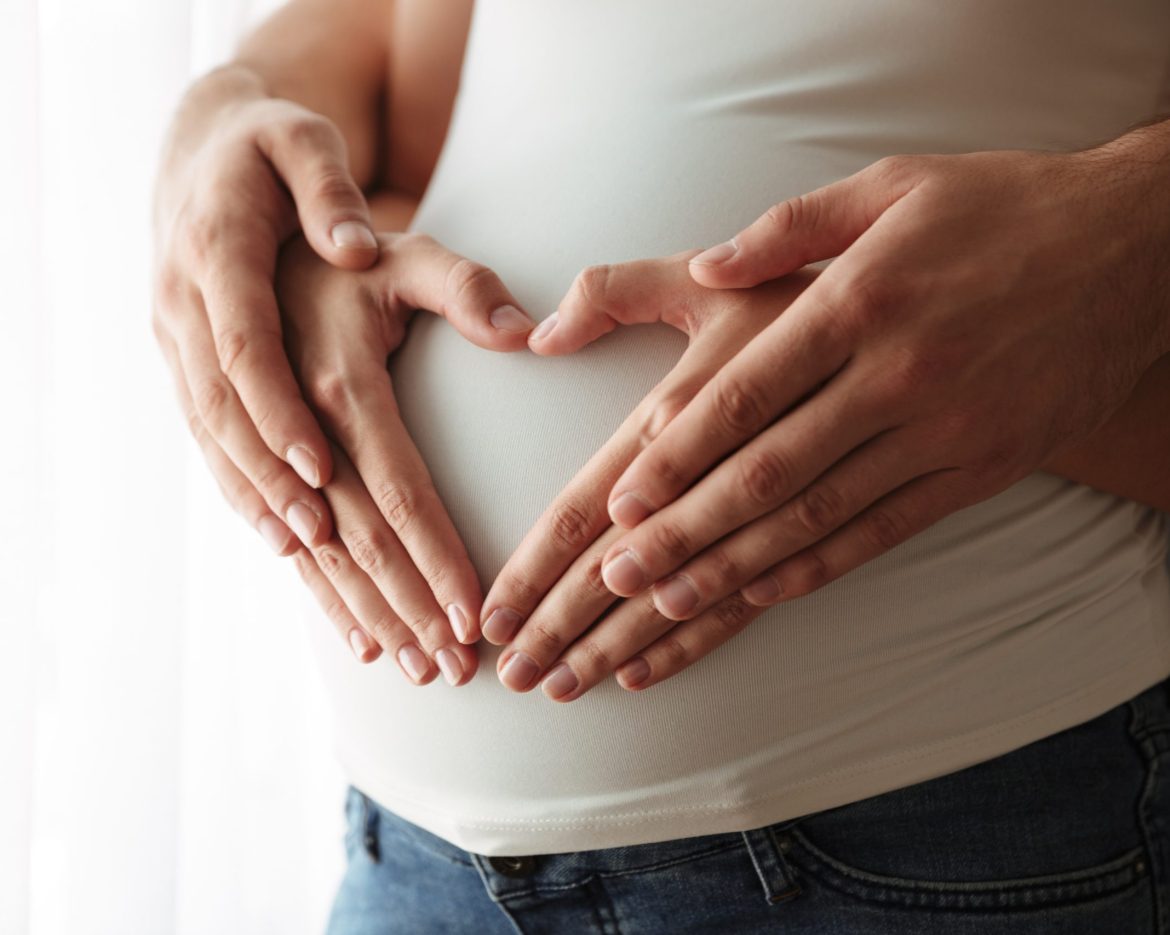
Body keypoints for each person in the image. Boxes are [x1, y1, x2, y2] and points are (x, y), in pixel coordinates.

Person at [152, 1, 1170, 932]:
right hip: (418, 862)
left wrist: (1125, 239)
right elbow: (403, 87)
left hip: (947, 819)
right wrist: (243, 133)